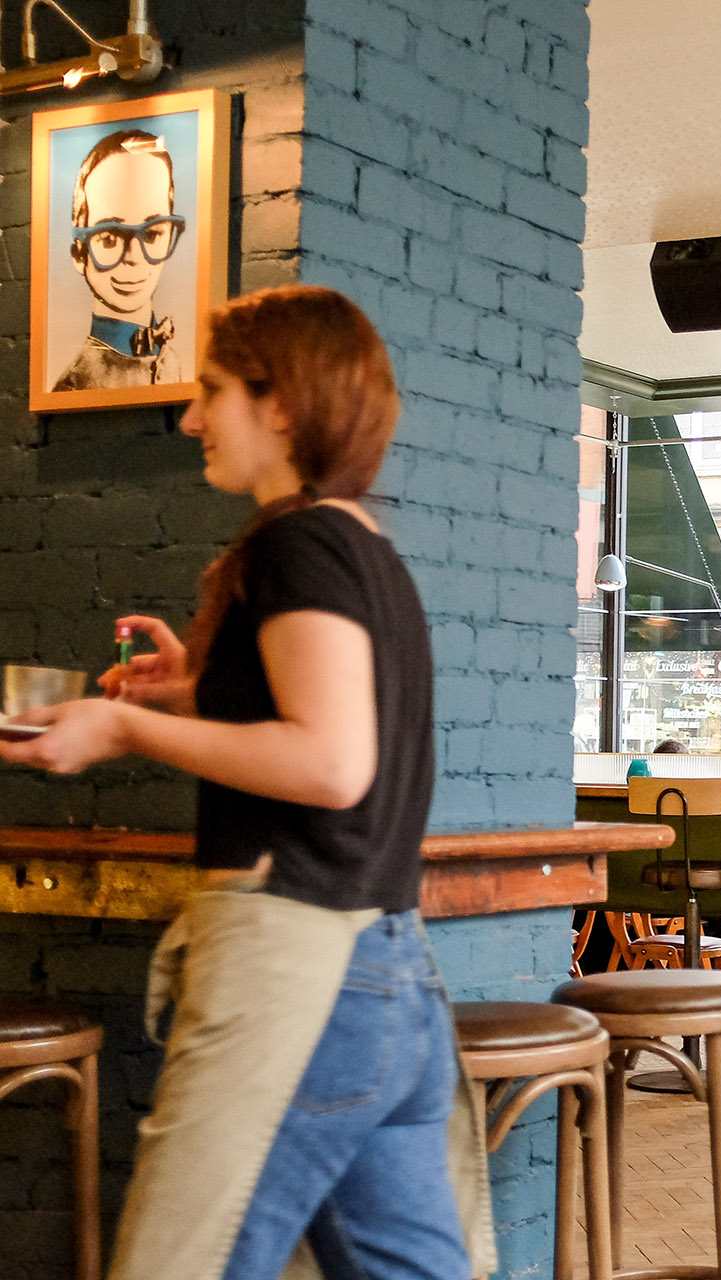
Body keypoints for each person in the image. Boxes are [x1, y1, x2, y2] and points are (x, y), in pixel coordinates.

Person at [1, 286, 478, 1278]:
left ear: (281, 405)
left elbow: (333, 763)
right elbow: (332, 731)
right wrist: (198, 689)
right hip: (389, 972)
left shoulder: (294, 545)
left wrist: (127, 725)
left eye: (209, 391)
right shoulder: (367, 549)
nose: (187, 417)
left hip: (298, 973)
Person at [55, 130, 187, 392]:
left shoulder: (173, 361)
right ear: (79, 255)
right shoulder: (76, 385)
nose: (134, 257)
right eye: (109, 238)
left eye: (152, 234)